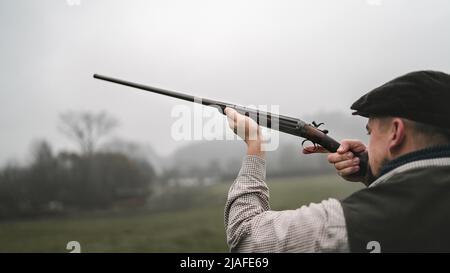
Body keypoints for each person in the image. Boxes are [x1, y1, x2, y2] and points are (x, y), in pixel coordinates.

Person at [223, 70, 450, 252]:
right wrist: (370, 174)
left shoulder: (351, 221)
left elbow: (245, 238)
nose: (368, 143)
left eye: (370, 132)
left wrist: (255, 145)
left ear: (395, 132)